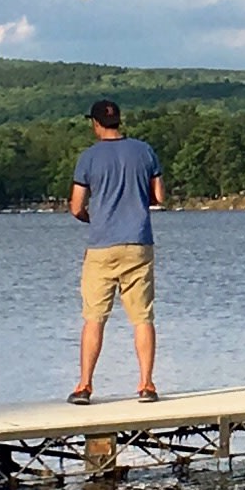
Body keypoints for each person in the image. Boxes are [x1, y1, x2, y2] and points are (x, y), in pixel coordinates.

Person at [68, 97, 165, 402]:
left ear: (96, 123)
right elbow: (159, 196)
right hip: (138, 242)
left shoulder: (88, 157)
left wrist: (92, 218)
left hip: (102, 246)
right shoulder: (145, 151)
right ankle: (146, 385)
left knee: (94, 317)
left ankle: (84, 386)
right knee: (142, 317)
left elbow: (76, 206)